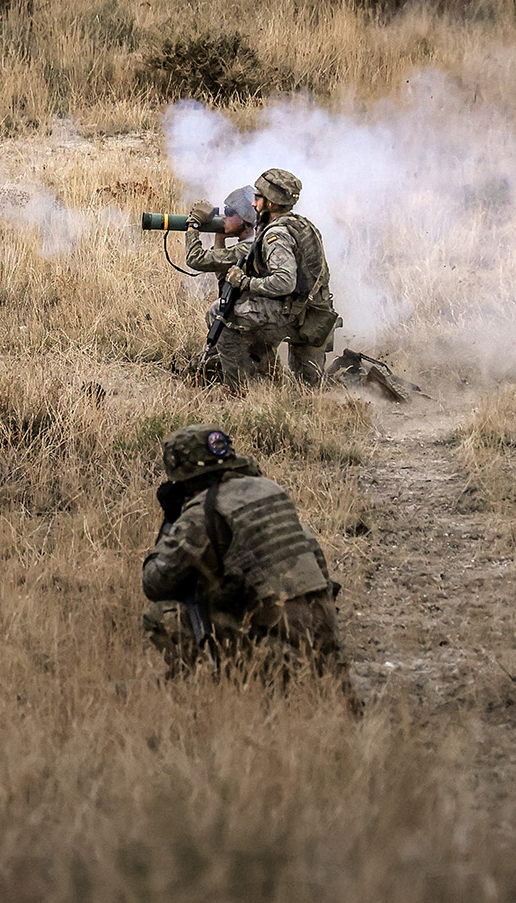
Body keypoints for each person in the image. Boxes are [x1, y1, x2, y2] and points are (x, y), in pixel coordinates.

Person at [140, 424, 356, 707]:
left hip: (277, 642)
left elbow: (156, 583)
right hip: (324, 632)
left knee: (162, 615)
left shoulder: (202, 510)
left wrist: (171, 524)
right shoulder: (270, 490)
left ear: (185, 477)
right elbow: (315, 558)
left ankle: (207, 689)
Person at [200, 168, 339, 387]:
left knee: (221, 312)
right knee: (309, 388)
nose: (254, 204)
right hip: (317, 315)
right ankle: (266, 373)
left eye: (258, 198)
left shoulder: (277, 235)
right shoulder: (303, 225)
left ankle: (236, 388)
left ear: (271, 203)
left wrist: (245, 282)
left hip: (293, 315)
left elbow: (284, 281)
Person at [183, 187, 257, 389]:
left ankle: (233, 388)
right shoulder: (253, 244)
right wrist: (220, 238)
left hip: (246, 323)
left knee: (201, 368)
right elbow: (224, 275)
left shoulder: (245, 248)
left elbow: (195, 259)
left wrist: (193, 226)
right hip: (253, 321)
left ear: (243, 220)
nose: (224, 215)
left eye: (230, 212)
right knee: (198, 367)